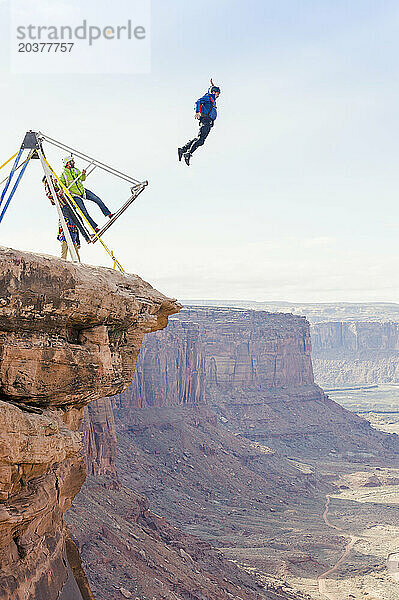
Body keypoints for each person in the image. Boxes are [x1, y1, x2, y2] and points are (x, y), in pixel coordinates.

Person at [60, 155, 113, 231]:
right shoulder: (64, 175)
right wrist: (61, 188)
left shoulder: (76, 170)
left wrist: (83, 174)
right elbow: (61, 184)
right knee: (84, 212)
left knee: (97, 199)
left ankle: (108, 214)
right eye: (72, 161)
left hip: (82, 191)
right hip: (75, 195)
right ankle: (94, 227)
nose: (74, 162)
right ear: (68, 163)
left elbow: (82, 179)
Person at [178, 80, 221, 166]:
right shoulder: (209, 97)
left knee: (199, 138)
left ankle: (183, 149)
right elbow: (198, 101)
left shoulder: (211, 97)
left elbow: (210, 91)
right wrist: (198, 112)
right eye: (217, 93)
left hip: (208, 122)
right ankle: (188, 153)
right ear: (213, 92)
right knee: (201, 140)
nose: (218, 95)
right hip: (206, 120)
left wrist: (212, 86)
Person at [43, 175, 91, 245]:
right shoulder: (48, 186)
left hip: (68, 204)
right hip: (64, 206)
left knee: (78, 220)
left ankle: (87, 237)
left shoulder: (55, 184)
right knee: (74, 222)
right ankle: (82, 239)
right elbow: (50, 196)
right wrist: (58, 193)